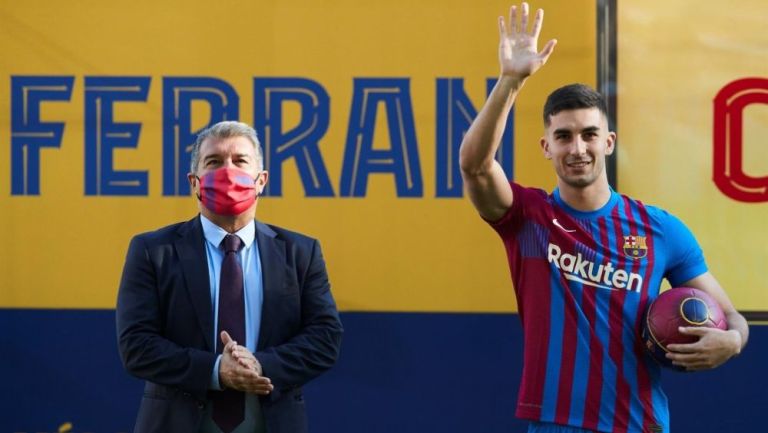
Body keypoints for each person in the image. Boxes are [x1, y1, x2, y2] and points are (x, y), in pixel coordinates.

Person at [458, 4, 749, 433]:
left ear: (608, 142)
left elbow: (732, 315)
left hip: (641, 423)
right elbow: (475, 166)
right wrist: (510, 81)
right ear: (546, 147)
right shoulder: (529, 219)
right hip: (554, 423)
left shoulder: (660, 229)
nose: (577, 148)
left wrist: (734, 340)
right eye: (563, 137)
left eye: (589, 135)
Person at [116, 120, 343, 433]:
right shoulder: (153, 251)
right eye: (214, 162)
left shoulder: (300, 253)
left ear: (261, 180)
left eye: (239, 161)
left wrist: (260, 365)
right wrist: (215, 370)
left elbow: (325, 338)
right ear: (194, 182)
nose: (227, 171)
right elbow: (136, 345)